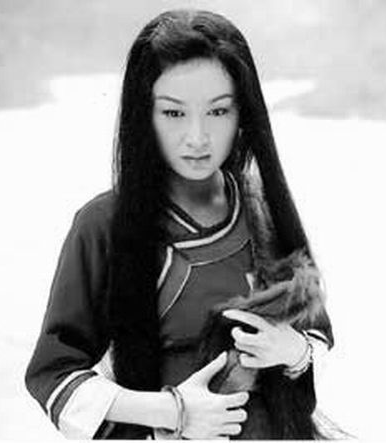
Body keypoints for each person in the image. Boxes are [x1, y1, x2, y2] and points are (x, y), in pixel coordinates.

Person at [25, 9, 334, 440]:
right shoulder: (102, 225)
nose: (197, 137)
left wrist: (293, 351)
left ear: (243, 112)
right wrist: (174, 411)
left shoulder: (263, 208)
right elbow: (52, 375)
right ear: (144, 115)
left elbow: (316, 334)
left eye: (218, 111)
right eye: (173, 113)